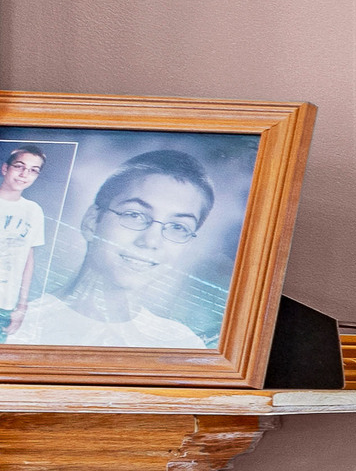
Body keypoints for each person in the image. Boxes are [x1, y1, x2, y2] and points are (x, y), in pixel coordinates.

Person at [11, 149, 220, 350]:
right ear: (92, 221)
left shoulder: (180, 345)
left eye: (178, 227)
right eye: (134, 215)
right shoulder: (20, 325)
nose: (150, 241)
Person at [0, 145, 46, 334]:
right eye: (19, 166)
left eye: (33, 170)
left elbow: (28, 259)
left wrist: (22, 305)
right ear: (5, 168)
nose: (24, 174)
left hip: (5, 304)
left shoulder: (33, 211)